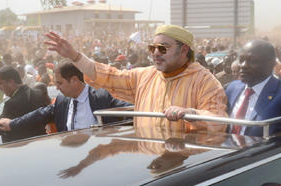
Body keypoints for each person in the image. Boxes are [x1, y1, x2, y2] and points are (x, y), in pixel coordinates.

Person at [45, 25, 228, 133]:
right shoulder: (144, 75)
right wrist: (75, 56)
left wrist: (191, 114)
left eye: (163, 47)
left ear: (184, 50)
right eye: (153, 47)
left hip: (183, 169)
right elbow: (108, 76)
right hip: (147, 163)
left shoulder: (205, 81)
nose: (156, 53)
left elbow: (219, 121)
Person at [0, 62, 131, 133]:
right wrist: (12, 123)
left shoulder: (101, 98)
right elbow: (40, 114)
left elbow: (128, 111)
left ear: (75, 80)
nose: (57, 88)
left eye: (60, 83)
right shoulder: (62, 101)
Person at [225, 40, 281, 137]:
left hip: (263, 152)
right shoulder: (232, 87)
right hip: (226, 150)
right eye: (241, 60)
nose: (243, 65)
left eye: (252, 61)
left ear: (271, 64)